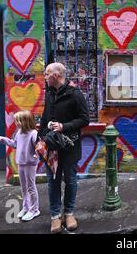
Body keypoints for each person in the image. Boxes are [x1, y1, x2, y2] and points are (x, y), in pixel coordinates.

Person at [39, 62, 89, 234]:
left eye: (47, 74)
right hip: (52, 147)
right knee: (53, 182)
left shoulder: (75, 94)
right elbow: (45, 119)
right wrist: (41, 138)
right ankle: (55, 216)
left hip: (69, 146)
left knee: (70, 180)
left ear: (56, 75)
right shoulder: (49, 94)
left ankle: (69, 214)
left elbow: (84, 119)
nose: (44, 77)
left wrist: (63, 126)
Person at [0, 110, 40, 222]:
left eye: (18, 121)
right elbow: (15, 144)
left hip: (30, 164)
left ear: (25, 121)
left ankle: (34, 209)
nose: (16, 123)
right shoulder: (19, 132)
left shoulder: (34, 133)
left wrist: (37, 154)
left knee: (31, 187)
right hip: (21, 163)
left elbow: (39, 146)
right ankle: (26, 207)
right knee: (24, 187)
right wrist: (4, 140)